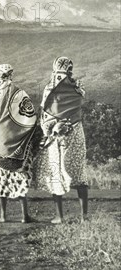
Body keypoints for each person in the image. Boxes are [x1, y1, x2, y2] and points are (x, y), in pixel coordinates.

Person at [0, 64, 39, 223]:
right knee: (20, 177)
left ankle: (3, 216)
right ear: (11, 76)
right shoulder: (20, 95)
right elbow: (31, 119)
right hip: (17, 144)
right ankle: (24, 216)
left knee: (0, 178)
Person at [33, 57, 89, 223]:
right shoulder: (78, 87)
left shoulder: (50, 87)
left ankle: (60, 216)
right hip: (76, 132)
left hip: (56, 137)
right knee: (79, 171)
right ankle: (84, 216)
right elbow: (77, 106)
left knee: (55, 171)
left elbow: (46, 113)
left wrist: (50, 128)